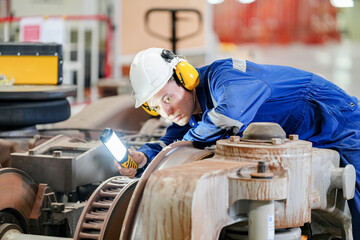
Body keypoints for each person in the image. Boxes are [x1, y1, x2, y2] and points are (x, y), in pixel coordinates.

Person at [115, 47, 360, 239]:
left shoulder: (225, 76)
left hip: (338, 120)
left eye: (168, 97)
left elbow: (227, 116)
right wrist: (144, 158)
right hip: (306, 135)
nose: (166, 111)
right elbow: (171, 144)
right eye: (157, 106)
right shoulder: (191, 112)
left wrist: (187, 142)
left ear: (185, 77)